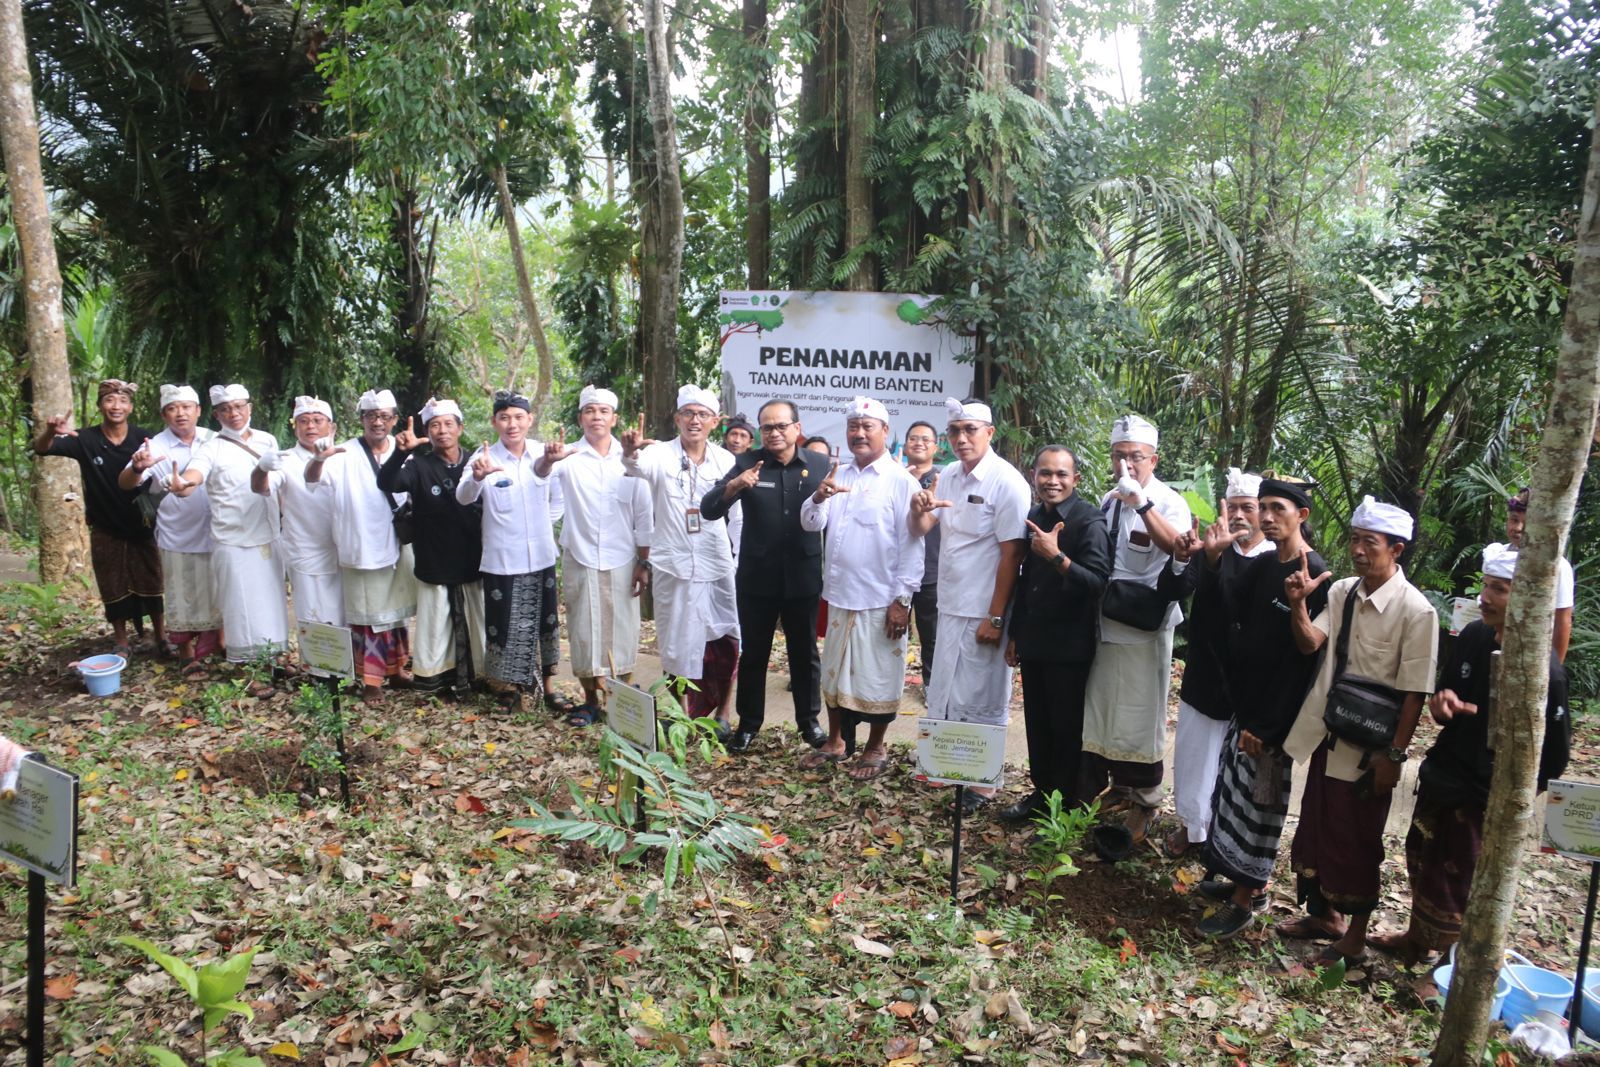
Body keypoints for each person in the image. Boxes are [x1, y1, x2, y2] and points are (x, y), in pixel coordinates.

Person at [1368, 543, 1569, 964]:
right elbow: (1447, 696)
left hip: (1484, 792)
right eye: (1485, 586)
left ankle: (1449, 966)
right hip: (1445, 775)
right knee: (1424, 861)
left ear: (1527, 598)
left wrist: (1515, 796)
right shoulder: (1474, 636)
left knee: (1463, 880)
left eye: (1500, 589)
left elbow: (1555, 751)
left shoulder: (1542, 667)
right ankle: (1417, 939)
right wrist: (1445, 706)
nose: (1486, 598)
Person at [1280, 496, 1439, 967]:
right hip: (1331, 733)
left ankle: (1355, 938)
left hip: (1371, 747)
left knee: (1358, 839)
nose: (1358, 550)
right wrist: (1296, 607)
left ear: (1397, 550)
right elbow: (1311, 642)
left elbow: (1416, 692)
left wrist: (1393, 756)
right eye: (1354, 539)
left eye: (1370, 542)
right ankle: (1325, 917)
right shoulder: (1342, 591)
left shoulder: (1417, 611)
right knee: (1318, 826)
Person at [1193, 478, 1327, 940]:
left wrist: (1268, 728)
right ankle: (1242, 883)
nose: (1266, 517)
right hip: (1245, 709)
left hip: (1274, 723)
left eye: (1277, 509)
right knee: (1233, 800)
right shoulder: (1268, 562)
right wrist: (1211, 560)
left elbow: (1303, 665)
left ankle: (1246, 900)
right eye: (1262, 507)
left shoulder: (1317, 575)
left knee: (1261, 807)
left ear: (1302, 516)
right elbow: (1225, 608)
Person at [909, 397, 1030, 812]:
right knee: (946, 690)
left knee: (983, 694)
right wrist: (919, 507)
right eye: (955, 432)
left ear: (989, 433)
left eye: (970, 430)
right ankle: (946, 766)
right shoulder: (948, 476)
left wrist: (996, 616)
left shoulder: (1006, 482)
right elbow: (923, 526)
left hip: (985, 608)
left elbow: (1013, 554)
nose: (961, 439)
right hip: (950, 602)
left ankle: (982, 784)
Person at [797, 397, 925, 779]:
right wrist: (819, 496)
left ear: (885, 431)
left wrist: (903, 600)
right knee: (834, 672)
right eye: (853, 426)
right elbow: (810, 523)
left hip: (881, 599)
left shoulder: (901, 481)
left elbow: (913, 544)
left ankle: (875, 746)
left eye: (868, 426)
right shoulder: (840, 475)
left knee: (879, 673)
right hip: (840, 595)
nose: (859, 433)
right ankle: (836, 740)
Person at [1081, 414, 1192, 841]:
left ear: (1154, 459)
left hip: (1145, 626)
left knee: (1140, 717)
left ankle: (1146, 798)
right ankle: (1121, 786)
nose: (1128, 465)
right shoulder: (1110, 499)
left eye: (1137, 457)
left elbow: (1177, 548)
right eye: (1120, 456)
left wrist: (1142, 504)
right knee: (1106, 710)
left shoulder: (1167, 501)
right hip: (1107, 620)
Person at [701, 398, 832, 753]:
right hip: (757, 577)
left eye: (781, 426)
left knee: (804, 653)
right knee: (754, 653)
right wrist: (735, 486)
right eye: (767, 427)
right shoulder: (744, 462)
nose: (774, 432)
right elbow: (709, 509)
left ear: (796, 429)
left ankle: (809, 723)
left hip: (804, 576)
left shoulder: (820, 464)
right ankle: (748, 725)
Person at [1160, 469, 1275, 859]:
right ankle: (1192, 828)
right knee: (1196, 759)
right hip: (1205, 676)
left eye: (1250, 508)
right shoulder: (1211, 548)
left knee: (1238, 770)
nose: (1241, 516)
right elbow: (1174, 589)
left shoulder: (1277, 559)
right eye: (1235, 508)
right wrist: (1185, 557)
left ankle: (1227, 839)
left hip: (1250, 685)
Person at [1001, 445, 1111, 821]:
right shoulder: (1034, 515)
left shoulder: (1089, 522)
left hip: (1070, 646)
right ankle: (1042, 794)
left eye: (1061, 474)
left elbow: (1098, 582)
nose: (1052, 481)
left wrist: (1057, 557)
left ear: (1076, 479)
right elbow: (1026, 580)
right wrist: (1015, 633)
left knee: (1066, 730)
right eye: (1045, 473)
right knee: (1038, 724)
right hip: (1035, 641)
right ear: (1034, 476)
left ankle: (1064, 806)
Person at [622, 386, 741, 724]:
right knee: (675, 642)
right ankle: (678, 713)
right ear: (677, 419)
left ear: (714, 422)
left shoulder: (726, 460)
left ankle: (723, 712)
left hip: (717, 563)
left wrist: (738, 560)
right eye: (688, 413)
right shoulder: (659, 454)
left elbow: (738, 516)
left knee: (726, 636)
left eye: (702, 414)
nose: (694, 420)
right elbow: (635, 467)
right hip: (673, 564)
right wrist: (629, 451)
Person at [538, 385, 653, 725]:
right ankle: (589, 701)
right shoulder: (567, 458)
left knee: (624, 629)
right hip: (581, 555)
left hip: (623, 558)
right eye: (590, 411)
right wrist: (547, 459)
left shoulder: (632, 461)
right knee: (584, 629)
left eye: (603, 411)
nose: (596, 417)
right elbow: (539, 473)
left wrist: (643, 562)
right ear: (580, 418)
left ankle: (622, 702)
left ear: (614, 418)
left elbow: (644, 515)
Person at [34, 379, 165, 656]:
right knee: (111, 581)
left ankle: (161, 636)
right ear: (100, 405)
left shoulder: (145, 439)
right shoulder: (85, 439)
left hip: (142, 523)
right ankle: (121, 642)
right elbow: (42, 449)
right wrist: (49, 431)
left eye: (122, 401)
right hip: (105, 525)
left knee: (151, 579)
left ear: (130, 407)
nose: (116, 406)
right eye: (109, 400)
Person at [302, 389, 418, 701]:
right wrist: (317, 460)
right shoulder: (344, 452)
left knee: (395, 614)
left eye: (384, 416)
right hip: (361, 545)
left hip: (398, 543)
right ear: (362, 419)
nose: (377, 422)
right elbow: (313, 480)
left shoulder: (404, 447)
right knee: (368, 617)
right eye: (371, 416)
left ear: (394, 419)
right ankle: (371, 681)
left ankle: (396, 671)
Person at [456, 390, 564, 711]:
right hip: (503, 558)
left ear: (530, 420)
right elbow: (463, 497)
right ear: (494, 422)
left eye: (518, 417)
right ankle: (507, 689)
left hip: (541, 555)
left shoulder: (544, 455)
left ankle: (548, 688)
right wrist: (477, 477)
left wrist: (541, 524)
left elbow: (557, 499)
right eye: (504, 417)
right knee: (504, 625)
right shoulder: (485, 457)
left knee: (545, 621)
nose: (512, 424)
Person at [171, 385, 288, 669]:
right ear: (216, 414)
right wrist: (182, 485)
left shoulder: (267, 440)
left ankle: (273, 660)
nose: (234, 414)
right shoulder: (211, 448)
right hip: (233, 540)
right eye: (226, 409)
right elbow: (192, 477)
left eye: (239, 407)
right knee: (242, 608)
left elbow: (278, 486)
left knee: (271, 603)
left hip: (268, 535)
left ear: (250, 407)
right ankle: (248, 668)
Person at [379, 398, 484, 696]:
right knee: (436, 623)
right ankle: (436, 682)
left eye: (449, 423)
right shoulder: (419, 465)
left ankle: (479, 679)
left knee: (477, 620)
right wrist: (400, 454)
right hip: (433, 555)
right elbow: (388, 483)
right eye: (435, 425)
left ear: (461, 428)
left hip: (472, 557)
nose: (442, 431)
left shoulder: (476, 462)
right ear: (427, 430)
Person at [119, 384, 217, 672]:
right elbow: (125, 483)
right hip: (178, 534)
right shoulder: (154, 447)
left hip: (218, 531)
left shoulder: (214, 440)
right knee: (180, 594)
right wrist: (137, 468)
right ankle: (186, 653)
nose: (181, 413)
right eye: (173, 409)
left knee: (218, 592)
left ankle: (219, 645)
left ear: (198, 411)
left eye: (187, 407)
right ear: (164, 415)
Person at [252, 396, 343, 636]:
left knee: (344, 613)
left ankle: (348, 670)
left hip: (343, 550)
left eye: (317, 420)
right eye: (303, 421)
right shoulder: (285, 460)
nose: (310, 426)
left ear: (332, 427)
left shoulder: (345, 456)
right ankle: (318, 670)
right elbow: (261, 488)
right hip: (306, 551)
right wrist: (261, 469)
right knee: (314, 615)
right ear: (295, 427)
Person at [1492, 488, 1574, 661]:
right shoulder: (1497, 556)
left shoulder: (1557, 566)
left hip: (1531, 654)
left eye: (1527, 523)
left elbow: (1562, 622)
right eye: (1514, 520)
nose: (1518, 528)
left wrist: (1553, 669)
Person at [903, 421, 942, 689]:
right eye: (913, 438)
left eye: (925, 439)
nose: (919, 443)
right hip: (896, 571)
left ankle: (931, 686)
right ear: (905, 444)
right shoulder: (894, 476)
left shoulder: (944, 479)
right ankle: (887, 685)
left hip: (932, 569)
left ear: (936, 447)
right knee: (890, 633)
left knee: (932, 635)